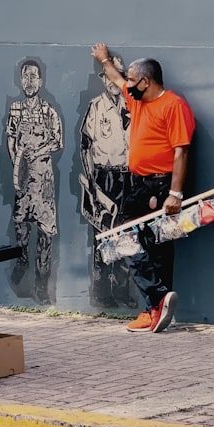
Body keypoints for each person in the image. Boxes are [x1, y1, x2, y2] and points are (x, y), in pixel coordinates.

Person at [91, 43, 195, 333]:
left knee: (154, 246)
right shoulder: (136, 99)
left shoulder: (173, 106)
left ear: (146, 81)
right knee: (131, 241)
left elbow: (181, 151)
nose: (129, 85)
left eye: (134, 80)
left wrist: (175, 194)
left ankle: (155, 306)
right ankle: (157, 303)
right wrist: (104, 59)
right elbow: (117, 78)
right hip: (137, 184)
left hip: (160, 185)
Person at [79, 55, 136, 308]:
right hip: (103, 175)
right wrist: (91, 181)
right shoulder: (96, 106)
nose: (113, 80)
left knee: (127, 233)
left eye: (119, 74)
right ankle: (102, 293)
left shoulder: (133, 105)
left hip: (128, 175)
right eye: (109, 75)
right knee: (102, 235)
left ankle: (123, 291)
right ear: (103, 79)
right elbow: (85, 146)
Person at [6, 59, 63, 305]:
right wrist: (17, 162)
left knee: (45, 232)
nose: (29, 82)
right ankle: (22, 259)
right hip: (23, 178)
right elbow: (10, 138)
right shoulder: (15, 110)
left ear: (41, 81)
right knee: (21, 224)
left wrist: (38, 152)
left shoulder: (49, 111)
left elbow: (58, 142)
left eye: (33, 77)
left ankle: (41, 284)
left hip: (44, 179)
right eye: (25, 77)